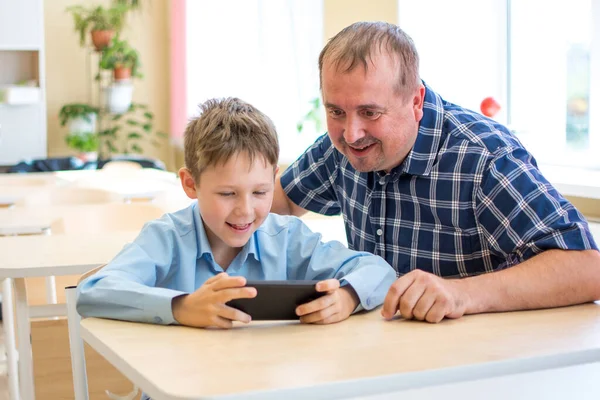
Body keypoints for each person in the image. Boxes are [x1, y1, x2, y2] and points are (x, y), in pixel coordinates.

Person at [272, 21, 600, 324]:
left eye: (370, 112)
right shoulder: (341, 146)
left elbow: (587, 268)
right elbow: (275, 201)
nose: (351, 133)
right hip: (385, 353)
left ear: (416, 101)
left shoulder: (485, 158)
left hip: (482, 365)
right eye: (336, 111)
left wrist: (462, 294)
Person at [77, 97, 396, 330]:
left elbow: (376, 269)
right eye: (227, 194)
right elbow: (95, 292)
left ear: (274, 178)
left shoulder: (286, 237)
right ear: (191, 183)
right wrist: (182, 307)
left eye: (260, 192)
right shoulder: (168, 238)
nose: (245, 210)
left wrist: (348, 296)